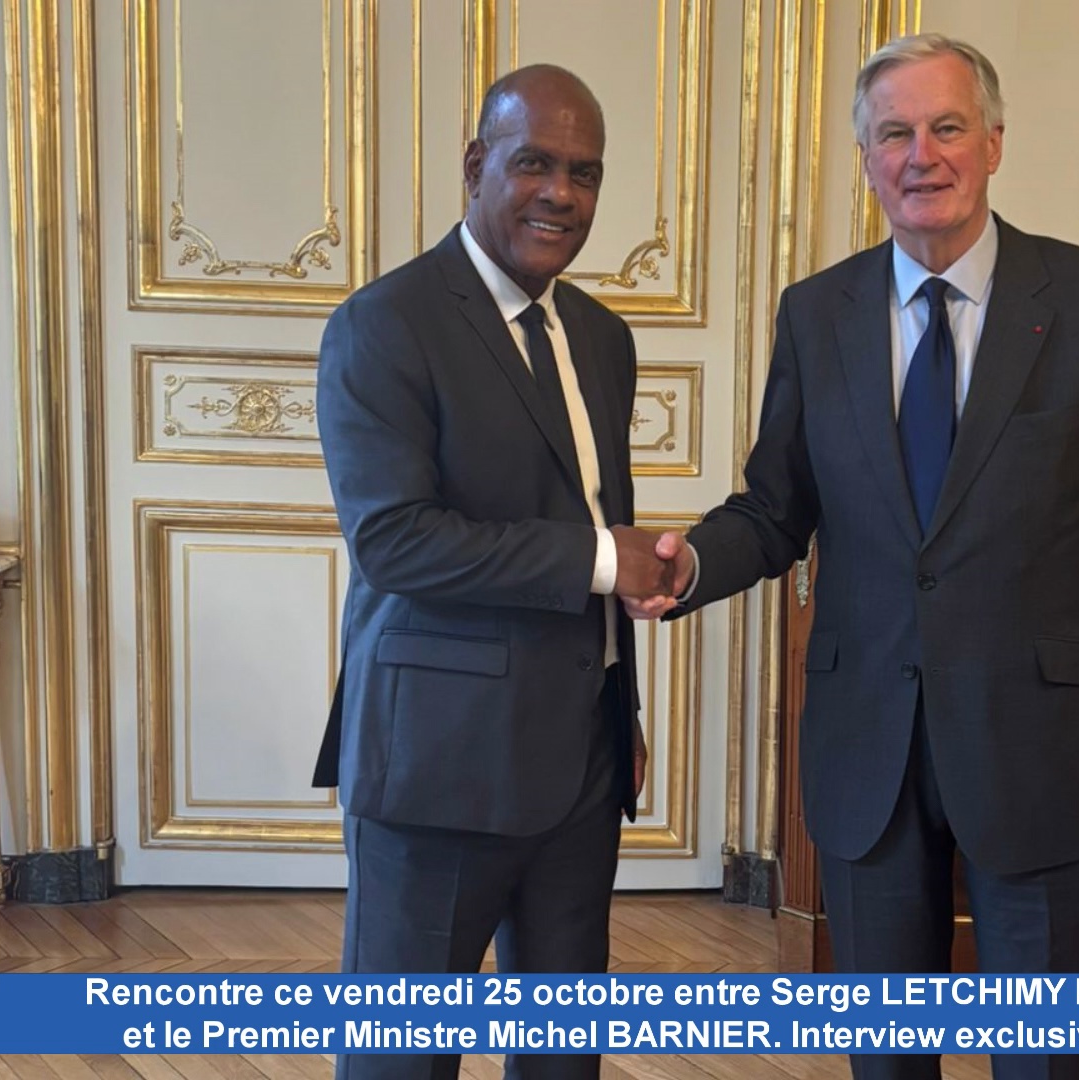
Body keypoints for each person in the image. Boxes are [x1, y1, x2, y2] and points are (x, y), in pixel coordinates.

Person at [633, 32, 1079, 1080]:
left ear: (993, 143)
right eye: (894, 134)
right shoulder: (816, 313)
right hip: (867, 739)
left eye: (945, 128)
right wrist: (688, 565)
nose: (920, 155)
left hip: (1041, 735)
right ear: (867, 155)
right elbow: (773, 505)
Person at [310, 64, 677, 1080]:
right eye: (535, 164)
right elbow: (396, 541)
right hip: (439, 766)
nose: (562, 193)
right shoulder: (385, 324)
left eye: (586, 173)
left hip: (583, 764)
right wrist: (609, 562)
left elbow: (590, 520)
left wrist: (623, 705)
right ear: (477, 166)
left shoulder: (603, 339)